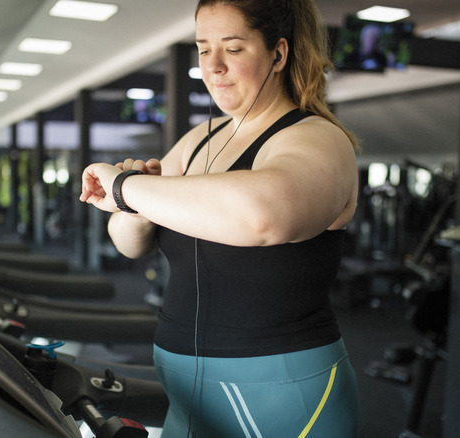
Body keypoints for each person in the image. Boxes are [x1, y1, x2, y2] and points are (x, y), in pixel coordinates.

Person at [80, 0, 360, 436]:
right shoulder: (198, 140)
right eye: (203, 48)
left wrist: (124, 189)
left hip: (281, 393)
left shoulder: (319, 138)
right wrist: (136, 203)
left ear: (278, 54)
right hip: (186, 389)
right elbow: (128, 242)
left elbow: (264, 217)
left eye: (233, 48)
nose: (214, 66)